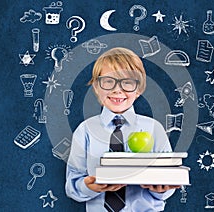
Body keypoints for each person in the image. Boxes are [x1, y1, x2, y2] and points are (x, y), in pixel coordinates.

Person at [65, 47, 180, 211]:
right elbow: (72, 184)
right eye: (108, 81)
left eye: (127, 82)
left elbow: (168, 179)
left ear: (138, 89)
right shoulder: (85, 131)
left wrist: (162, 189)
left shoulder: (154, 129)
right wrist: (89, 186)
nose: (117, 89)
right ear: (97, 86)